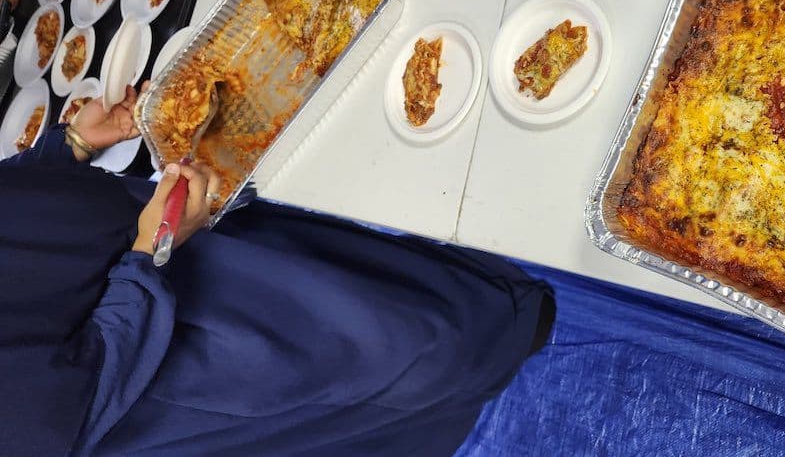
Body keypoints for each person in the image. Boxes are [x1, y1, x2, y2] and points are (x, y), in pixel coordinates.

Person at [0, 88, 554, 455]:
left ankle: (492, 304)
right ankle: (502, 335)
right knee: (398, 349)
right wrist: (153, 251)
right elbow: (59, 408)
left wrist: (65, 149)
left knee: (349, 270)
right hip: (165, 339)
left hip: (160, 238)